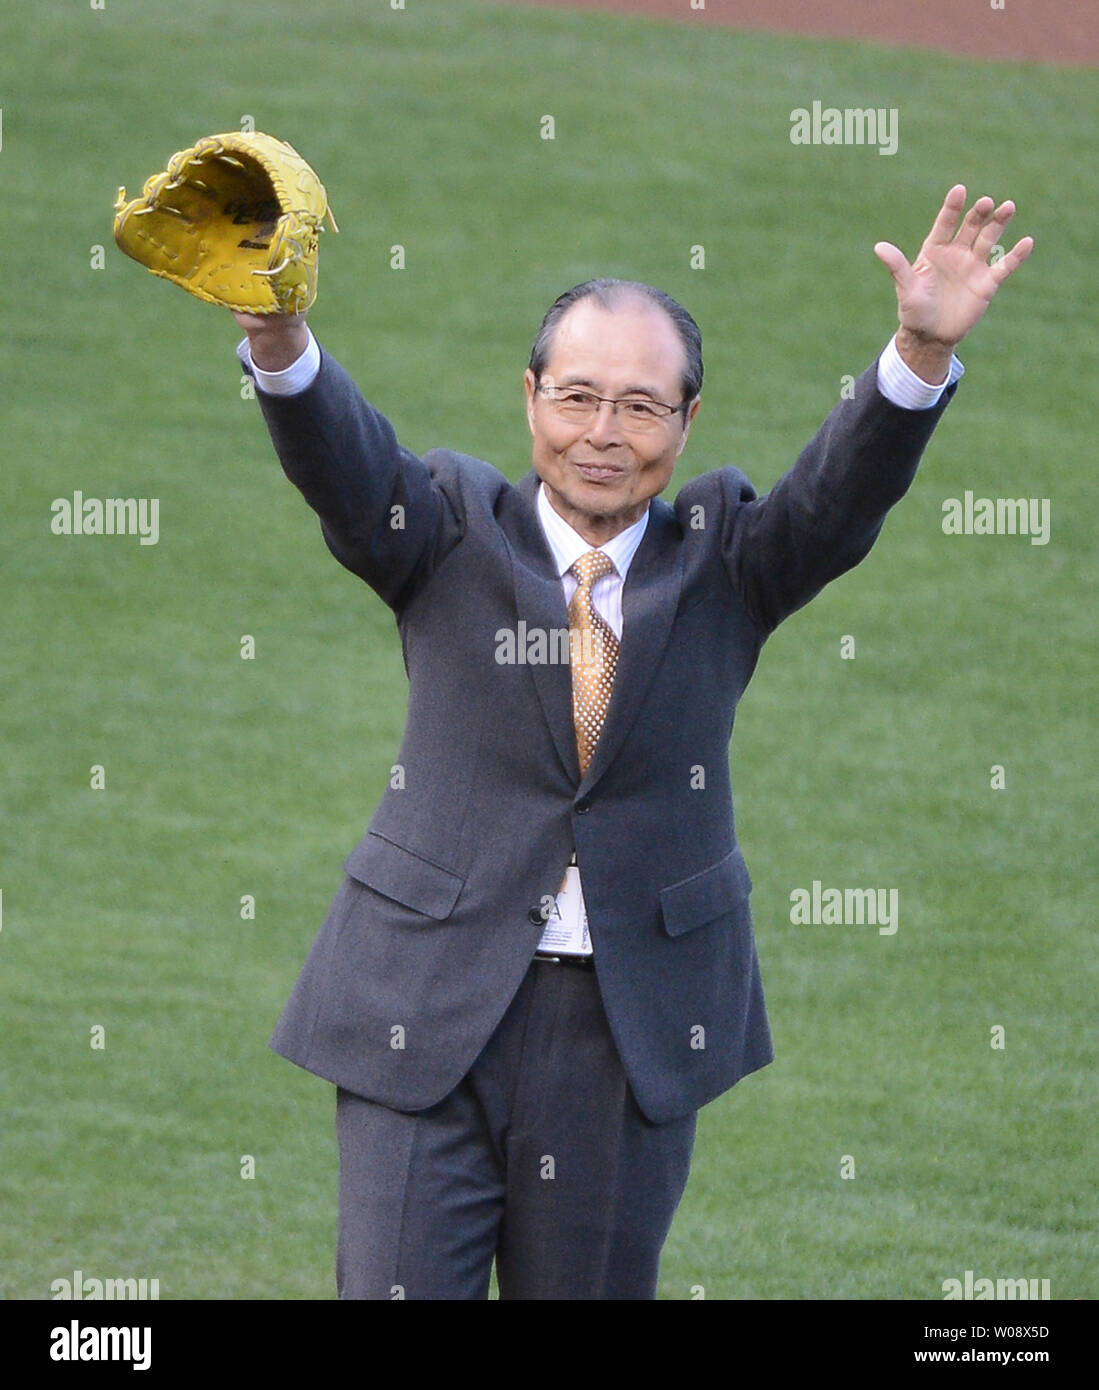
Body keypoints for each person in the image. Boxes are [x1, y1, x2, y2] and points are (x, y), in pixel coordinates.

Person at [232, 185, 1031, 1300]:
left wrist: (914, 354)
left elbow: (837, 502)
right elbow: (344, 464)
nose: (603, 435)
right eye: (577, 398)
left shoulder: (728, 559)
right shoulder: (447, 529)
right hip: (423, 1007)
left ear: (687, 423)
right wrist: (277, 334)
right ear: (529, 398)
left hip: (624, 1032)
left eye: (641, 408)